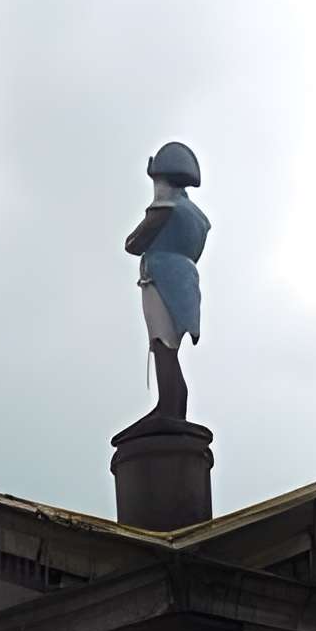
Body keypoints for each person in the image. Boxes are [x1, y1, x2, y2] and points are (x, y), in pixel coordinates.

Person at [122, 141, 209, 431]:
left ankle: (169, 405)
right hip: (184, 278)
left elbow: (134, 243)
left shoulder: (166, 207)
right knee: (168, 345)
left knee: (162, 344)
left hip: (162, 276)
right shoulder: (195, 215)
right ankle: (171, 403)